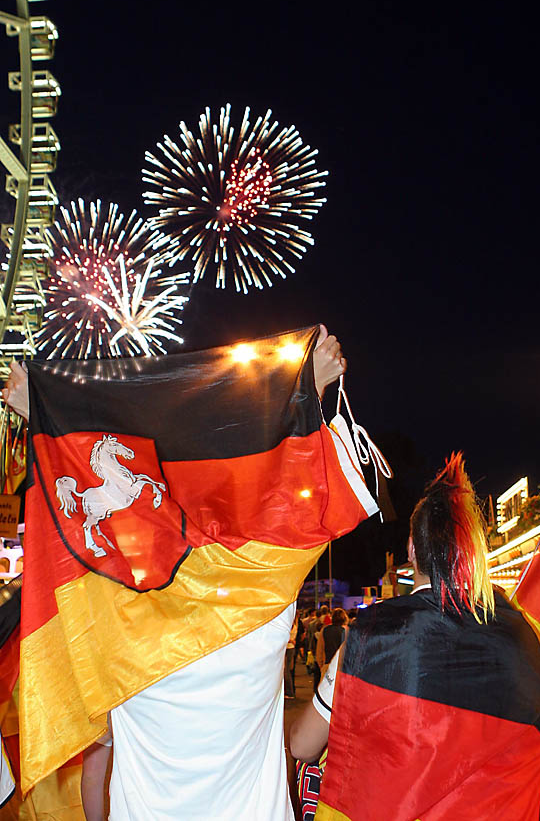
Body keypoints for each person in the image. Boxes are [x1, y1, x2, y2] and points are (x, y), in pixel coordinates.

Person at [2, 326, 349, 821]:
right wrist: (304, 392)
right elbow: (283, 497)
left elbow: (110, 520)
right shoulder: (265, 610)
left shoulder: (119, 623)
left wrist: (44, 416)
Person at [291, 453, 540, 820]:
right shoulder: (527, 642)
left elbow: (301, 745)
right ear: (474, 553)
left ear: (412, 549)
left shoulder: (371, 637)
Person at [316, 607, 347, 676]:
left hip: (328, 664)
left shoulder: (325, 630)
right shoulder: (347, 631)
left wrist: (322, 666)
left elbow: (319, 650)